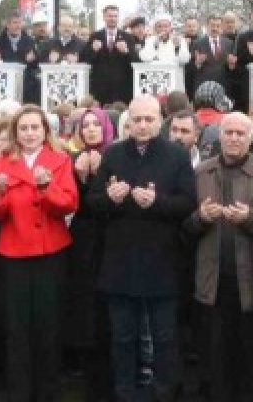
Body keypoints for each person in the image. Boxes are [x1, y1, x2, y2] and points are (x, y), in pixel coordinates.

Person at [88, 95, 196, 402]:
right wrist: (111, 198)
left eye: (149, 119)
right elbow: (92, 203)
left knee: (164, 336)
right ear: (128, 122)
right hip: (120, 261)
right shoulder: (113, 154)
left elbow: (189, 203)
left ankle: (163, 393)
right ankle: (124, 392)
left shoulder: (176, 155)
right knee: (123, 336)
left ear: (160, 120)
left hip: (162, 260)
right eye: (137, 120)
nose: (143, 125)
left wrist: (157, 202)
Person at [183, 112, 253, 402]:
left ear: (250, 138)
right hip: (211, 283)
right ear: (219, 135)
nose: (234, 138)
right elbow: (184, 228)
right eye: (228, 132)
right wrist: (200, 217)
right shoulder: (201, 172)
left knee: (250, 364)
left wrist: (251, 219)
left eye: (241, 133)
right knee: (215, 363)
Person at [0, 105, 78, 402]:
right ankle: (19, 391)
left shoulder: (60, 160)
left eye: (35, 127)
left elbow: (69, 204)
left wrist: (46, 187)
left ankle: (48, 391)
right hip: (13, 252)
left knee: (49, 326)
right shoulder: (1, 163)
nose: (30, 133)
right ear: (16, 133)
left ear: (45, 131)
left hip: (51, 251)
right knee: (17, 328)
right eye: (24, 128)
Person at [63, 107, 117, 400]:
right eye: (86, 125)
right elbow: (74, 205)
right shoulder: (73, 160)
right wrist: (81, 177)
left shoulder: (116, 157)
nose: (91, 130)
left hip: (110, 241)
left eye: (97, 124)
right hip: (82, 242)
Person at [0, 13, 43, 105]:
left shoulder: (30, 41)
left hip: (26, 80)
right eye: (15, 23)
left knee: (35, 83)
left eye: (20, 23)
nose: (18, 26)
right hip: (4, 79)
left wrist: (33, 59)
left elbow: (36, 65)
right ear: (7, 25)